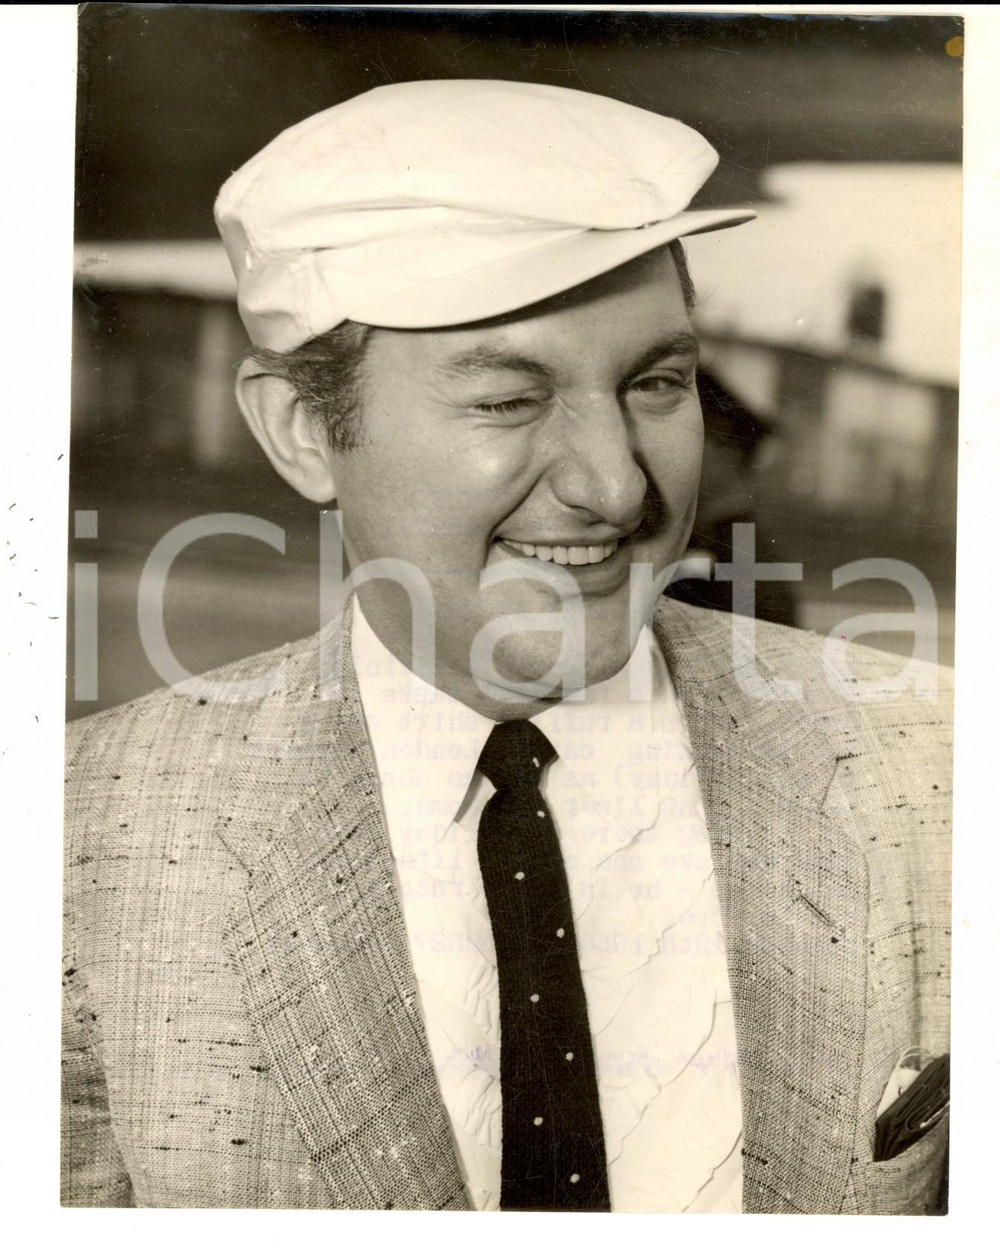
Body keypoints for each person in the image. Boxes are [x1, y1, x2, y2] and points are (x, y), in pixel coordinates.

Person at [63, 80, 951, 1214]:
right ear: (302, 429)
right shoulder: (76, 838)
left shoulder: (942, 765)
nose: (615, 486)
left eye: (656, 383)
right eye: (505, 400)